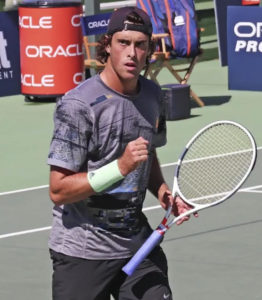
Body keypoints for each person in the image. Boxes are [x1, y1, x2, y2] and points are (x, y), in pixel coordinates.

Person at [47, 6, 196, 300]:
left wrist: (163, 192)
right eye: (123, 43)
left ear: (149, 49)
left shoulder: (154, 96)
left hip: (136, 246)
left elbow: (147, 154)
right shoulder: (78, 106)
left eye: (140, 45)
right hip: (82, 252)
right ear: (107, 45)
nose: (132, 53)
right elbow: (59, 190)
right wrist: (120, 167)